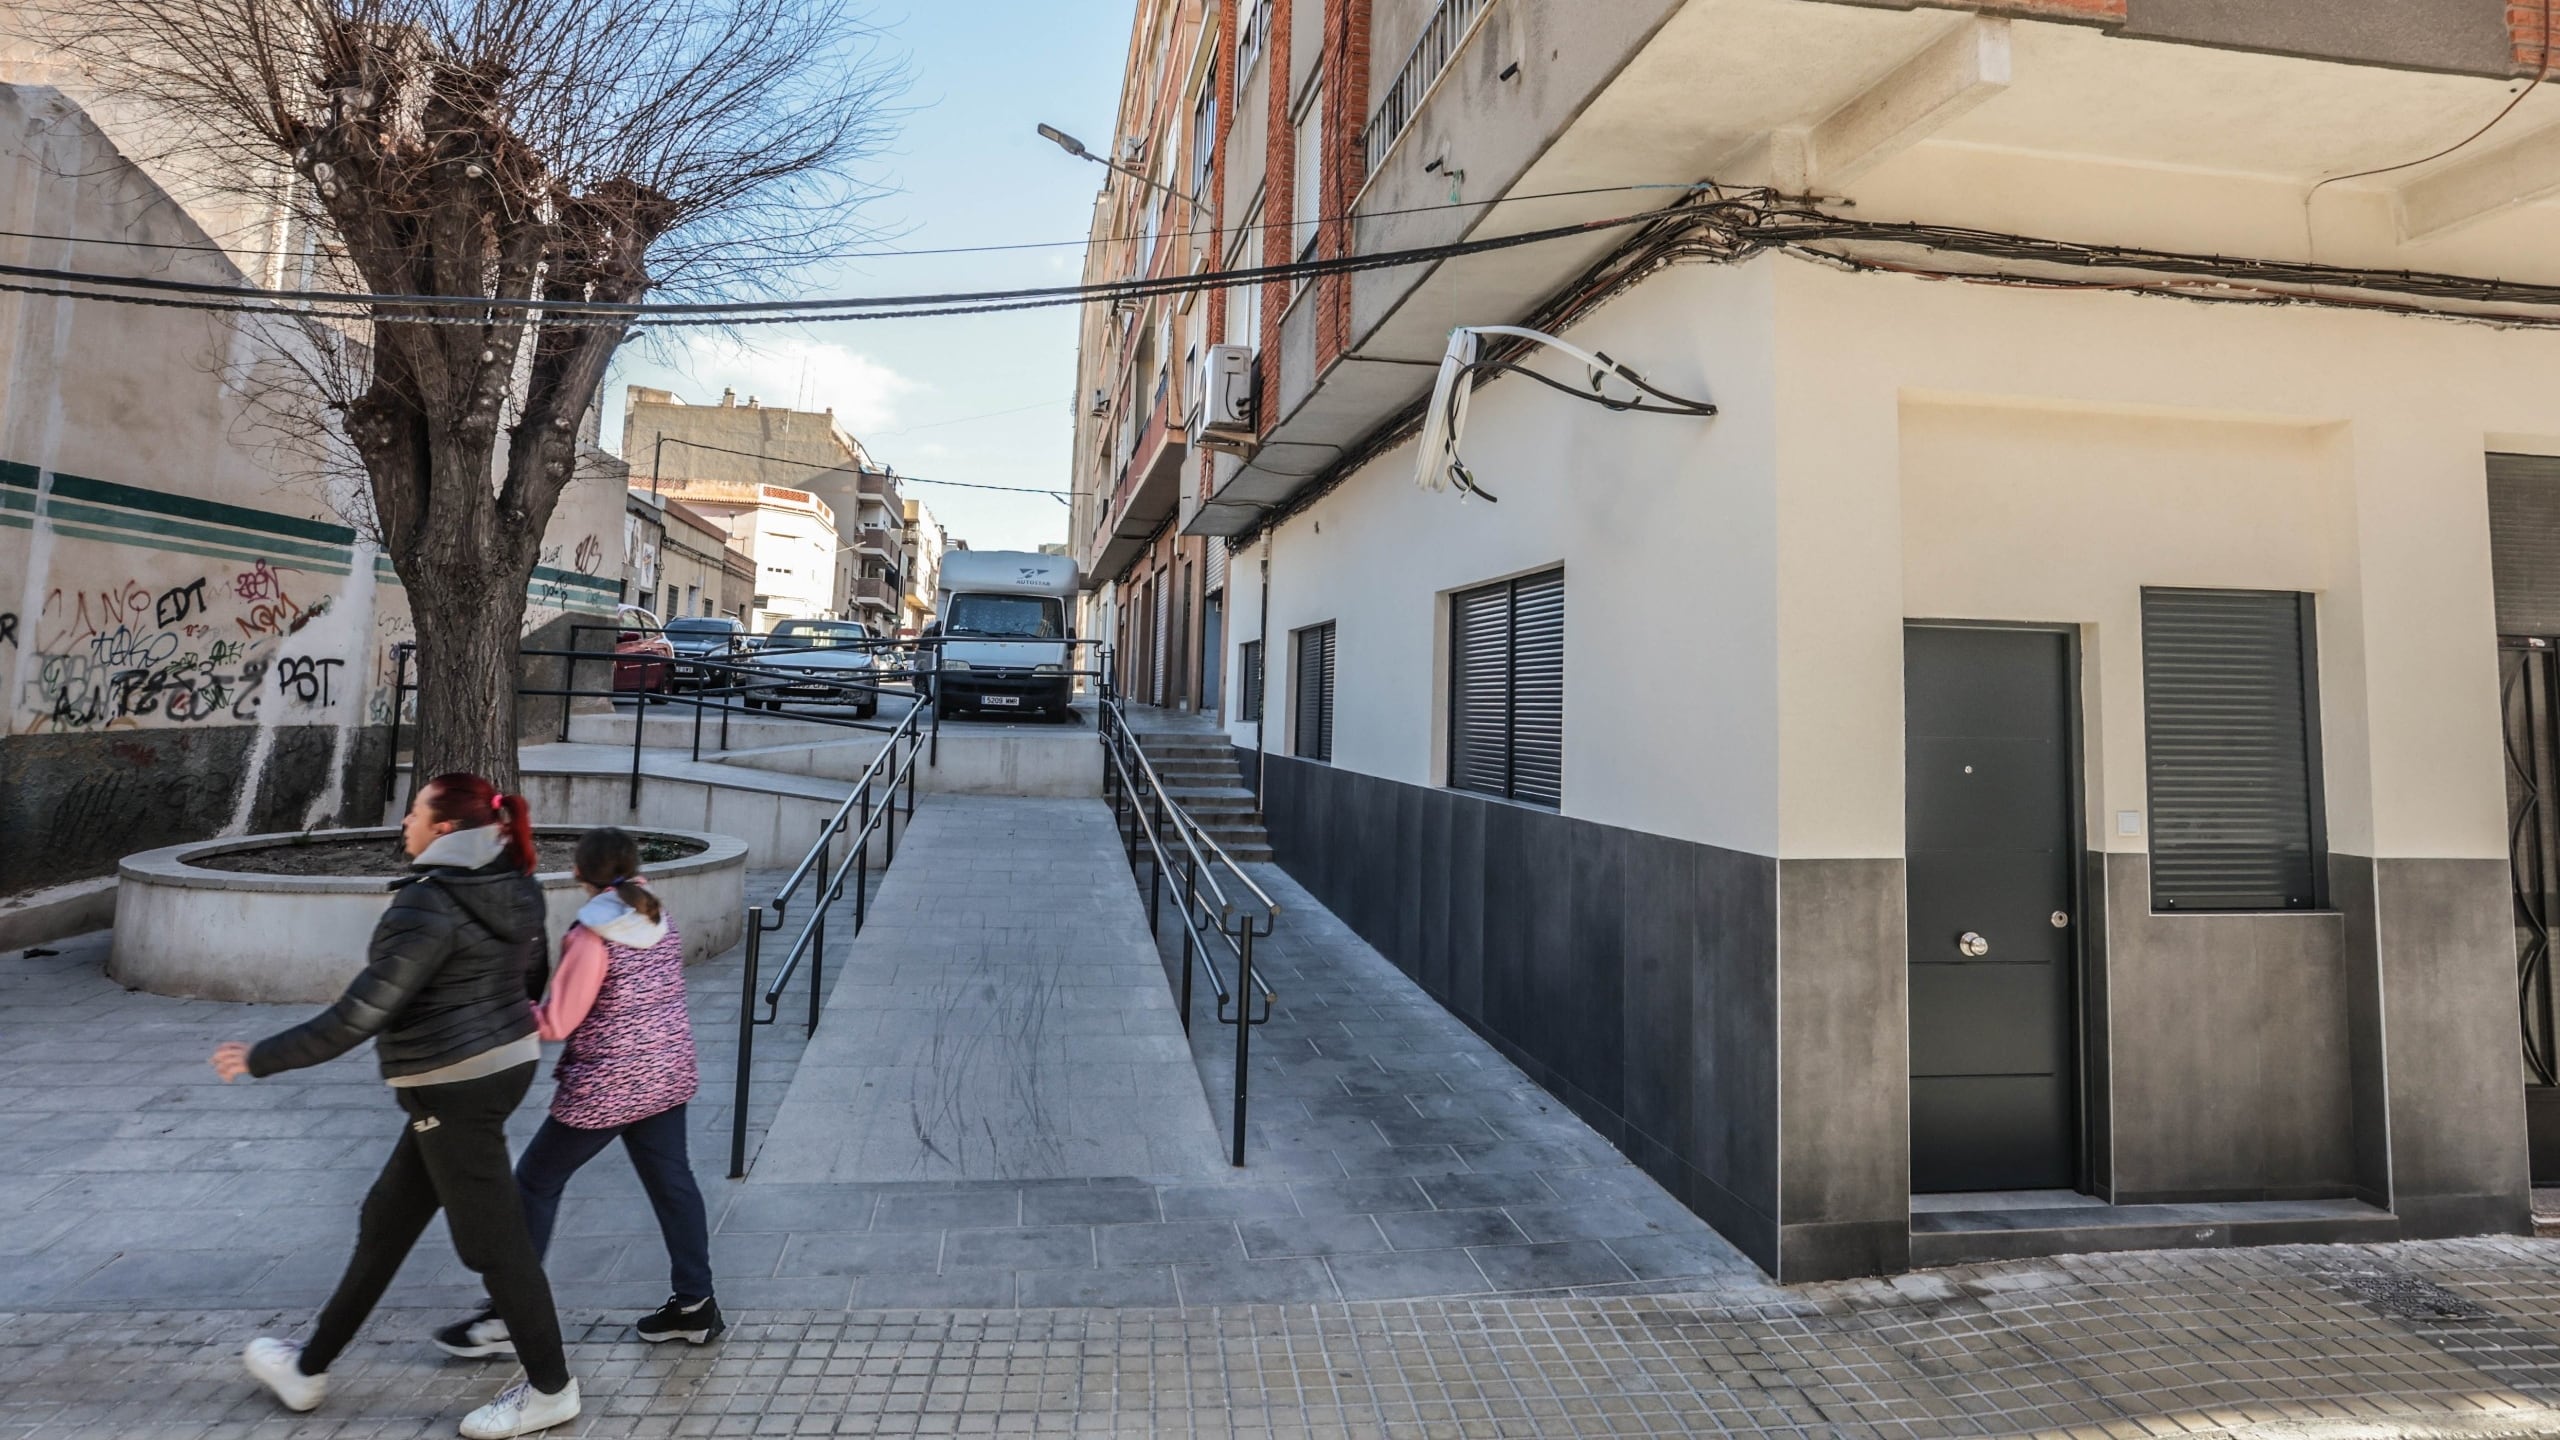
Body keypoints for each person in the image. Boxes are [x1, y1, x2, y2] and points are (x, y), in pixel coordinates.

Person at [212, 774, 581, 1440]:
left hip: (453, 1084)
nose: (402, 822)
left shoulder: (426, 905)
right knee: (386, 1220)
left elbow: (361, 1014)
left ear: (444, 829)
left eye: (413, 810)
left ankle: (551, 1390)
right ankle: (308, 1369)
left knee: (495, 1245)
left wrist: (261, 1056)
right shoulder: (519, 883)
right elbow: (532, 979)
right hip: (500, 1068)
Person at [435, 827, 722, 1358]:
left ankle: (506, 1315)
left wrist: (502, 1008)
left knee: (536, 1183)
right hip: (665, 1074)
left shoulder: (592, 933)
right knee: (672, 1184)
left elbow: (559, 1021)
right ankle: (694, 1305)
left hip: (607, 1085)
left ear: (577, 874)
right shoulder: (658, 914)